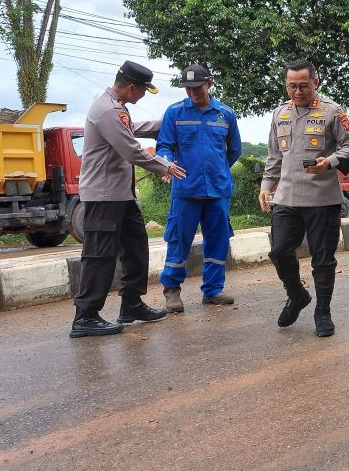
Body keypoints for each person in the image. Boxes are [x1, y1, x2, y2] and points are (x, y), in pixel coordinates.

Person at [71, 61, 187, 338]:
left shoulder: (116, 108)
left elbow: (133, 128)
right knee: (99, 256)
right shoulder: (109, 109)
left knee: (136, 248)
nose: (143, 96)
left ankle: (131, 304)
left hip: (120, 195)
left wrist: (170, 123)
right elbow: (130, 149)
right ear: (132, 87)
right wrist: (165, 167)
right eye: (143, 91)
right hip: (103, 196)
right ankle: (85, 316)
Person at [258, 60, 349, 336]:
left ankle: (322, 311)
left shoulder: (332, 112)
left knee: (323, 259)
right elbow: (275, 156)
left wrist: (331, 161)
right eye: (292, 86)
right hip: (286, 198)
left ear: (316, 83)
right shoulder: (280, 114)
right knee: (279, 251)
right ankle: (297, 294)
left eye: (303, 85)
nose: (298, 91)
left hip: (322, 200)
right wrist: (267, 185)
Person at [156, 64, 242, 312]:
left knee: (218, 242)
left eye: (197, 87)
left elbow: (234, 149)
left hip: (218, 190)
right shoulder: (174, 113)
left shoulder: (225, 114)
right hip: (186, 190)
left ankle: (213, 290)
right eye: (188, 88)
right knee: (178, 240)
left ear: (210, 83)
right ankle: (172, 290)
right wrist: (167, 164)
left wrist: (219, 169)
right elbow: (164, 146)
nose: (192, 92)